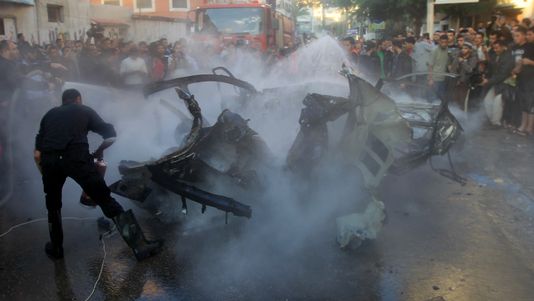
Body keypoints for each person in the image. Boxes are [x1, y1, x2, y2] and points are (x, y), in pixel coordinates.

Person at [34, 89, 163, 261]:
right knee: (105, 200)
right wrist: (98, 153)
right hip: (77, 160)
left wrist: (47, 174)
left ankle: (56, 249)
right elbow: (111, 136)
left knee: (53, 205)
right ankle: (140, 247)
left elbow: (37, 154)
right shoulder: (83, 110)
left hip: (50, 162)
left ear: (63, 101)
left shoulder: (49, 115)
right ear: (78, 99)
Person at [481, 40, 515, 126]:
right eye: (494, 48)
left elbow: (502, 74)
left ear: (503, 47)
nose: (495, 50)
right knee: (487, 101)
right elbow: (492, 67)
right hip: (496, 83)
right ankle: (493, 120)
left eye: (497, 48)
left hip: (505, 84)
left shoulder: (508, 57)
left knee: (497, 102)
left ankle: (496, 123)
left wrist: (488, 81)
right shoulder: (496, 56)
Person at [512, 27, 534, 136]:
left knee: (530, 104)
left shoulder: (530, 47)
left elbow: (527, 62)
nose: (515, 38)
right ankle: (523, 125)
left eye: (518, 35)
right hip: (520, 78)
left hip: (530, 79)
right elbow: (517, 62)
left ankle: (529, 128)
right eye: (514, 36)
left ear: (524, 35)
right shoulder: (515, 48)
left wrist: (530, 62)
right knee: (523, 104)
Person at [449, 42, 478, 109]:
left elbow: (470, 70)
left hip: (465, 83)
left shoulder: (473, 58)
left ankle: (462, 117)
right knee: (454, 100)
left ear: (470, 50)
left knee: (462, 102)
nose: (463, 50)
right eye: (462, 48)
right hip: (456, 82)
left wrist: (463, 62)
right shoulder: (458, 56)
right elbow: (453, 68)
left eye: (466, 48)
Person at [428, 34, 451, 100]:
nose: (444, 44)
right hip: (434, 79)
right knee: (432, 98)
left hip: (443, 79)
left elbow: (448, 64)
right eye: (442, 42)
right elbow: (430, 66)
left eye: (445, 42)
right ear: (439, 42)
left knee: (440, 98)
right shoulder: (434, 50)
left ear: (447, 42)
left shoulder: (447, 50)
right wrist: (430, 79)